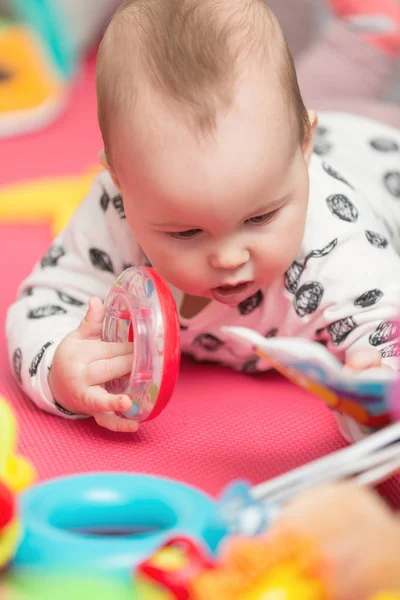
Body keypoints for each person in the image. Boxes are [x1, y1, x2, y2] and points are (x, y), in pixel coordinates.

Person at [6, 0, 400, 440]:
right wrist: (61, 363)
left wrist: (377, 384)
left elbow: (385, 325)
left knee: (339, 103)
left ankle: (367, 38)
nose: (230, 258)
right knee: (303, 96)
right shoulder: (115, 211)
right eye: (186, 232)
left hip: (377, 156)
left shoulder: (336, 239)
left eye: (262, 217)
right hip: (281, 136)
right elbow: (45, 302)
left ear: (303, 152)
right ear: (121, 183)